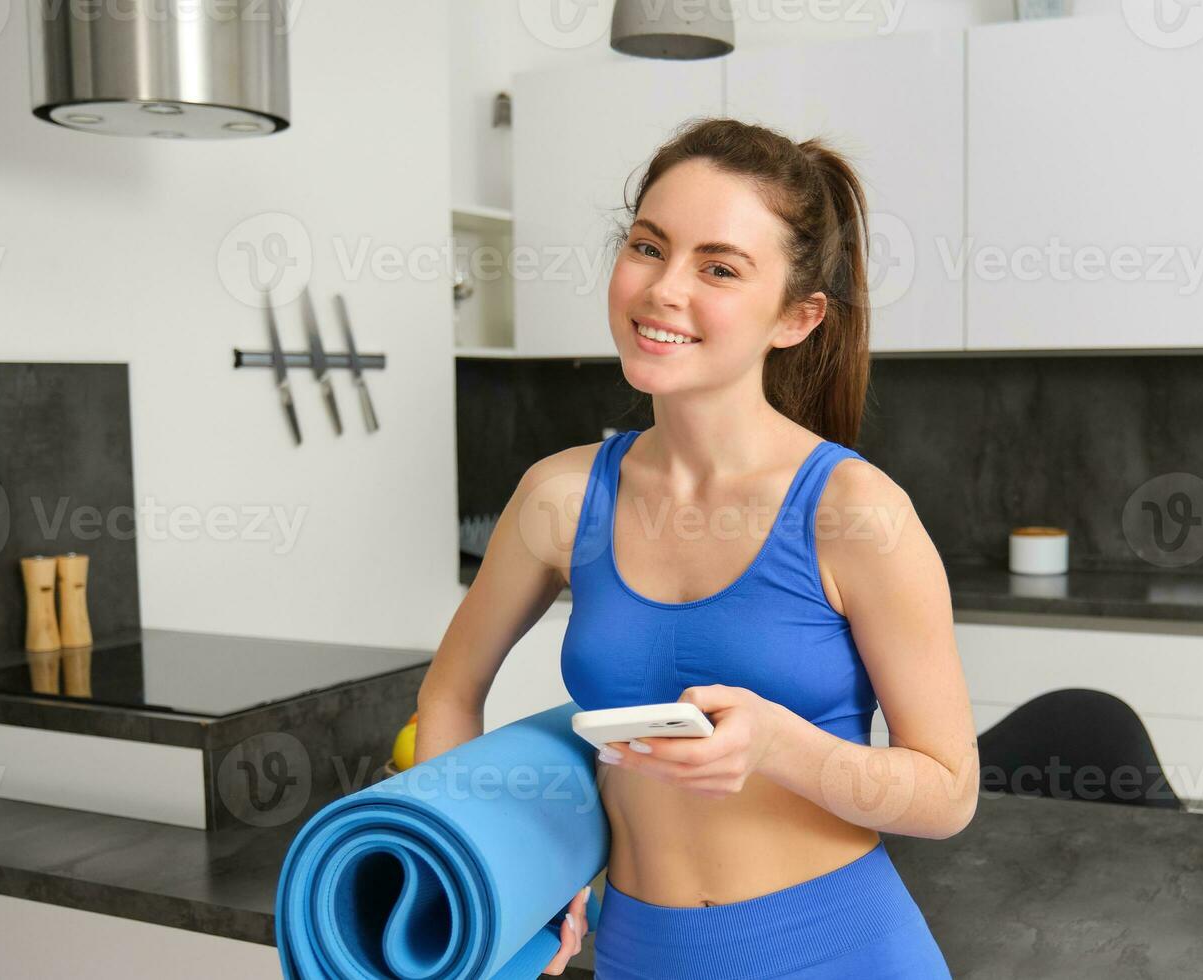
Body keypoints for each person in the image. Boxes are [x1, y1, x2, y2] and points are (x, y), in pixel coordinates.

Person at [413, 117, 978, 979]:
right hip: (640, 953)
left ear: (796, 316)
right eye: (648, 246)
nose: (663, 290)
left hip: (838, 949)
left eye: (718, 267)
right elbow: (450, 694)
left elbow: (947, 793)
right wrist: (494, 867)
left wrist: (780, 746)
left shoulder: (856, 512)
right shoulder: (561, 498)